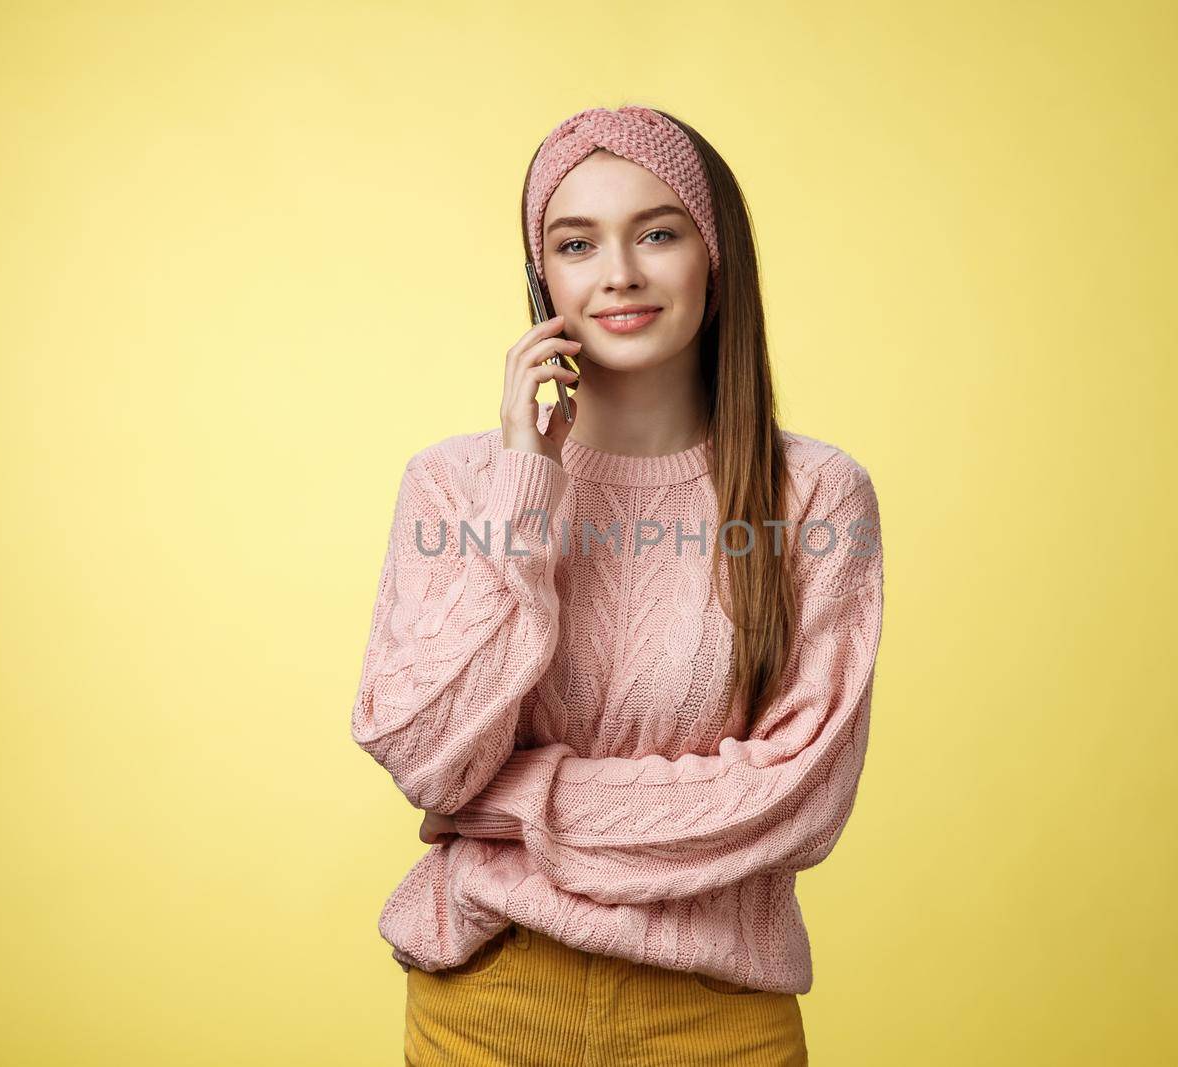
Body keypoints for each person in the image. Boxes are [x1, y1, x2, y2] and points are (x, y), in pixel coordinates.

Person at [349, 104, 885, 1067]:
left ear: (714, 264)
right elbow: (429, 759)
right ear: (540, 275)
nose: (620, 273)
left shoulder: (814, 495)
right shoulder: (455, 485)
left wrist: (515, 804)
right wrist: (523, 493)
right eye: (577, 242)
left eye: (658, 233)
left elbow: (795, 798)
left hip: (717, 1016)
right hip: (488, 1002)